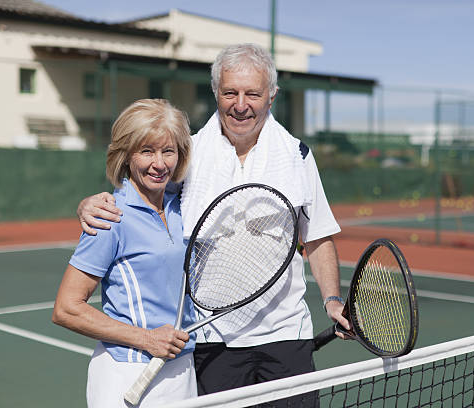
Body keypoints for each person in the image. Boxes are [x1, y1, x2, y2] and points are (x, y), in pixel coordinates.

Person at [76, 44, 350, 402]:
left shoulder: (297, 156)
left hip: (286, 335)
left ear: (271, 96)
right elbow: (146, 195)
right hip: (211, 339)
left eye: (252, 93)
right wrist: (88, 203)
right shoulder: (187, 153)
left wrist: (331, 300)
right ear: (216, 94)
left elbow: (317, 237)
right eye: (230, 92)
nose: (240, 104)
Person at [53, 99, 197, 407]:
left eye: (168, 151)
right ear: (126, 156)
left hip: (183, 371)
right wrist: (147, 339)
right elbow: (66, 308)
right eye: (146, 151)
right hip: (128, 374)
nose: (159, 164)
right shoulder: (109, 217)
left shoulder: (184, 206)